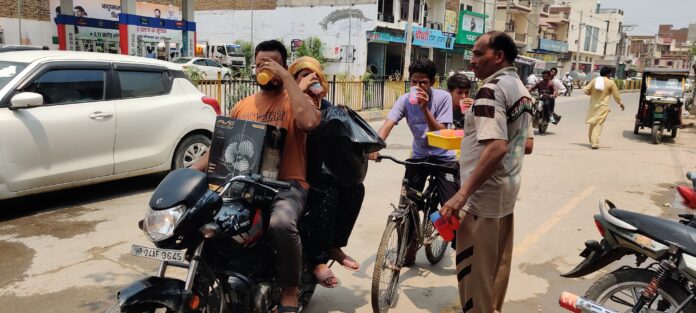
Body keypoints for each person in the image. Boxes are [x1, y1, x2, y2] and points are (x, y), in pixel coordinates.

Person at [192, 40, 320, 313]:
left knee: (282, 223)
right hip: (242, 185)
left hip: (287, 186)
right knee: (201, 218)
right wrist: (187, 174)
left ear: (284, 66)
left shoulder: (295, 99)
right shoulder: (243, 105)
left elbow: (309, 123)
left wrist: (287, 79)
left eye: (272, 63)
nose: (265, 68)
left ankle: (289, 291)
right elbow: (219, 146)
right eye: (261, 63)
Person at [439, 31, 534, 313]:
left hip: (481, 202)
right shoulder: (521, 90)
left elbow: (496, 148)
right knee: (495, 274)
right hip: (505, 196)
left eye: (479, 54)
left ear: (499, 56)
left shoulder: (490, 91)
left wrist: (461, 195)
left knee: (474, 282)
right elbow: (526, 145)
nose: (472, 61)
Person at [369, 58, 461, 266]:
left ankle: (459, 247)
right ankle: (409, 244)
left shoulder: (443, 98)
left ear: (433, 82)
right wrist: (375, 146)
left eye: (423, 83)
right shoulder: (403, 101)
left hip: (443, 157)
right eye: (414, 82)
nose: (418, 87)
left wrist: (425, 108)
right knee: (408, 202)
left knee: (451, 206)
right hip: (419, 156)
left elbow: (441, 131)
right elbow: (388, 124)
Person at [288, 57, 365, 289]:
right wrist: (299, 94)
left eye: (314, 75)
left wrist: (366, 149)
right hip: (298, 171)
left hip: (323, 170)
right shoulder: (290, 103)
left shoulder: (329, 107)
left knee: (355, 188)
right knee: (327, 191)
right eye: (302, 75)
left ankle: (335, 245)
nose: (310, 79)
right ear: (292, 81)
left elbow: (346, 138)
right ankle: (319, 261)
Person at [582, 67, 625, 149]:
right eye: (610, 74)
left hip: (593, 106)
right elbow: (616, 95)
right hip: (603, 106)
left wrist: (590, 93)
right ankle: (595, 143)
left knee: (593, 123)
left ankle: (591, 140)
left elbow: (585, 90)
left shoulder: (595, 80)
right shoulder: (610, 82)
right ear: (608, 74)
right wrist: (621, 103)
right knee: (599, 124)